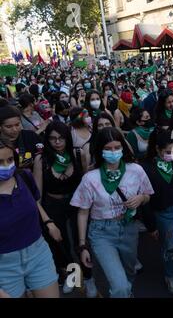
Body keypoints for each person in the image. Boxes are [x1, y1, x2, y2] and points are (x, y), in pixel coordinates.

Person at [70, 127, 153, 298]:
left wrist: (141, 199)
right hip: (101, 233)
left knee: (129, 274)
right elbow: (83, 213)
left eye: (117, 147)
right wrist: (82, 245)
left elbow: (148, 195)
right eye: (108, 149)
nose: (113, 152)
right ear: (100, 150)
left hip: (129, 229)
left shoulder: (136, 170)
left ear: (123, 147)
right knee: (120, 286)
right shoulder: (90, 178)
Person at [37, 121, 97, 296]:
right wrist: (46, 220)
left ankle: (88, 277)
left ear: (68, 139)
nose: (57, 142)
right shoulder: (42, 160)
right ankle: (72, 274)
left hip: (76, 205)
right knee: (60, 244)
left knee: (82, 240)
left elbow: (86, 182)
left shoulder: (78, 154)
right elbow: (37, 196)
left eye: (61, 138)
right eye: (52, 138)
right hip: (53, 206)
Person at [0, 137, 60, 298]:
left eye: (10, 159)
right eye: (0, 162)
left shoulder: (24, 176)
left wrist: (48, 222)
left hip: (38, 253)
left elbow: (33, 201)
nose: (7, 166)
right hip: (4, 266)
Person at [141, 128, 173, 294]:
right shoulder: (145, 168)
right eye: (168, 151)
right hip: (162, 214)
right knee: (169, 246)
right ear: (157, 149)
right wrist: (151, 226)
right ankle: (170, 275)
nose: (172, 154)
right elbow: (144, 201)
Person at [0, 105, 43, 171]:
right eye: (9, 127)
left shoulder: (31, 135)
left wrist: (36, 161)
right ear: (0, 127)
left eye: (17, 125)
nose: (14, 129)